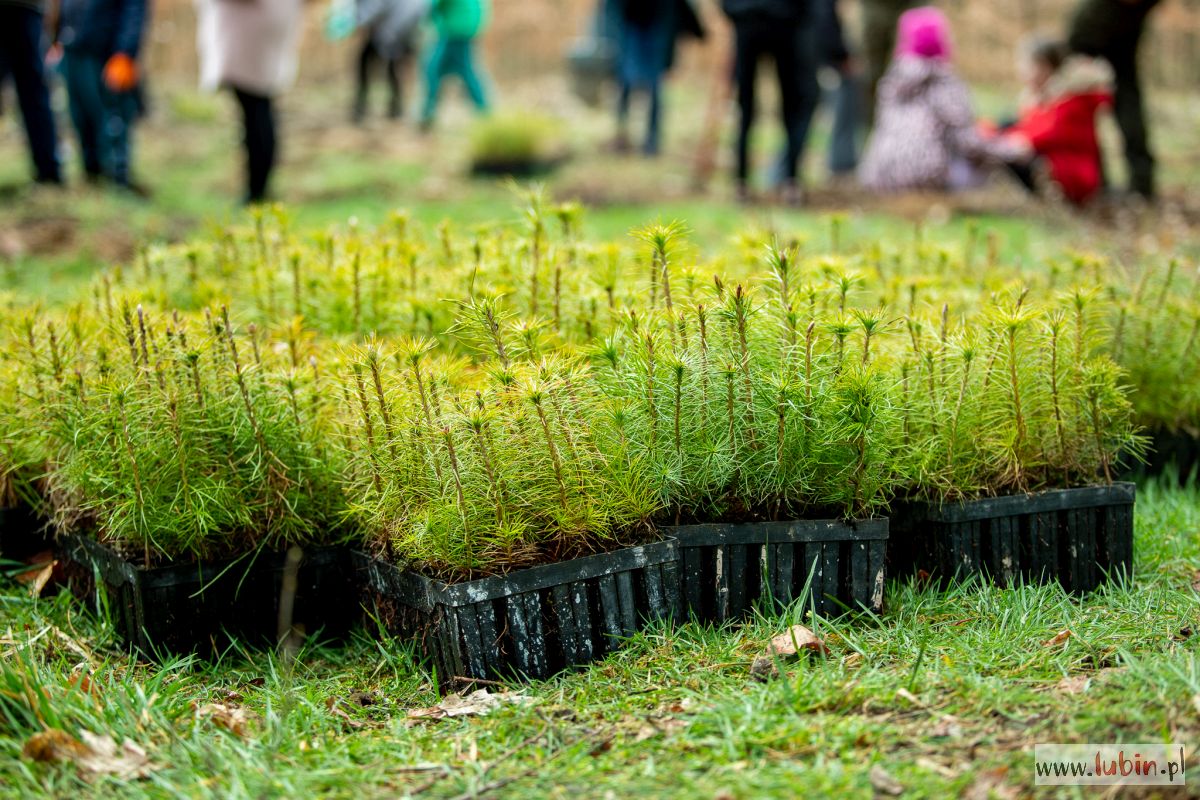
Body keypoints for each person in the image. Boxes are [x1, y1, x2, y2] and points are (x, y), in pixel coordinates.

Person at [858, 7, 1028, 193]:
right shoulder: (944, 81)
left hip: (881, 177)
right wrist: (1012, 149)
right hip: (927, 177)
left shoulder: (893, 80)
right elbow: (967, 142)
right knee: (984, 161)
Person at [196, 0, 305, 205]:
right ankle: (257, 187)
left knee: (256, 109)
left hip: (253, 28)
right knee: (256, 108)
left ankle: (257, 190)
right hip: (261, 22)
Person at [988, 38, 1113, 206]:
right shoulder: (1042, 97)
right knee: (1005, 129)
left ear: (1045, 67)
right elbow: (1025, 126)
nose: (1022, 72)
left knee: (1009, 151)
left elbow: (1047, 133)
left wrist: (1000, 141)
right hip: (1057, 166)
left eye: (1028, 66)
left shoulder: (1072, 99)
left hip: (1074, 177)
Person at [722, 0, 819, 205]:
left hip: (784, 31)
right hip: (752, 29)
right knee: (746, 108)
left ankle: (790, 181)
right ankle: (742, 182)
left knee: (790, 106)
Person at [1068, 0, 1160, 199]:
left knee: (1124, 102)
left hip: (1106, 29)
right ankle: (1100, 182)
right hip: (1092, 33)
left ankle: (1138, 183)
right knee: (1085, 105)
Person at [53, 0, 147, 191]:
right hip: (73, 48)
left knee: (111, 117)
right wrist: (56, 39)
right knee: (79, 115)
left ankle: (118, 178)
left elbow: (134, 9)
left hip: (105, 53)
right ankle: (91, 174)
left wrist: (125, 53)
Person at [612, 0, 703, 157]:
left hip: (654, 23)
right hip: (636, 21)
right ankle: (625, 135)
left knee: (648, 83)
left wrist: (696, 28)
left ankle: (649, 140)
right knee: (629, 80)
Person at [0, 0, 62, 185]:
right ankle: (49, 170)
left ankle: (48, 170)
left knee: (34, 89)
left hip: (26, 8)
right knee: (34, 88)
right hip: (28, 9)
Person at [419, 0, 492, 130]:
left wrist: (430, 16)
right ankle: (485, 112)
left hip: (454, 30)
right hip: (464, 27)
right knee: (464, 71)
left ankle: (428, 113)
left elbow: (435, 5)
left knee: (433, 70)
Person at [353, 0, 428, 123]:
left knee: (368, 63)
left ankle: (363, 106)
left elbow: (374, 9)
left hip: (392, 30)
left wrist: (359, 20)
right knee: (391, 66)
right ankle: (395, 107)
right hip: (401, 29)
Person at [816, 0, 861, 176]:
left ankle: (842, 162)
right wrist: (841, 56)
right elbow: (825, 23)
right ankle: (841, 163)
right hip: (830, 63)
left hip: (823, 58)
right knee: (840, 112)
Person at [860, 0, 916, 125]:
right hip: (875, 7)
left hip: (911, 5)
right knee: (871, 73)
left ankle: (905, 126)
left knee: (910, 70)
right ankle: (873, 127)